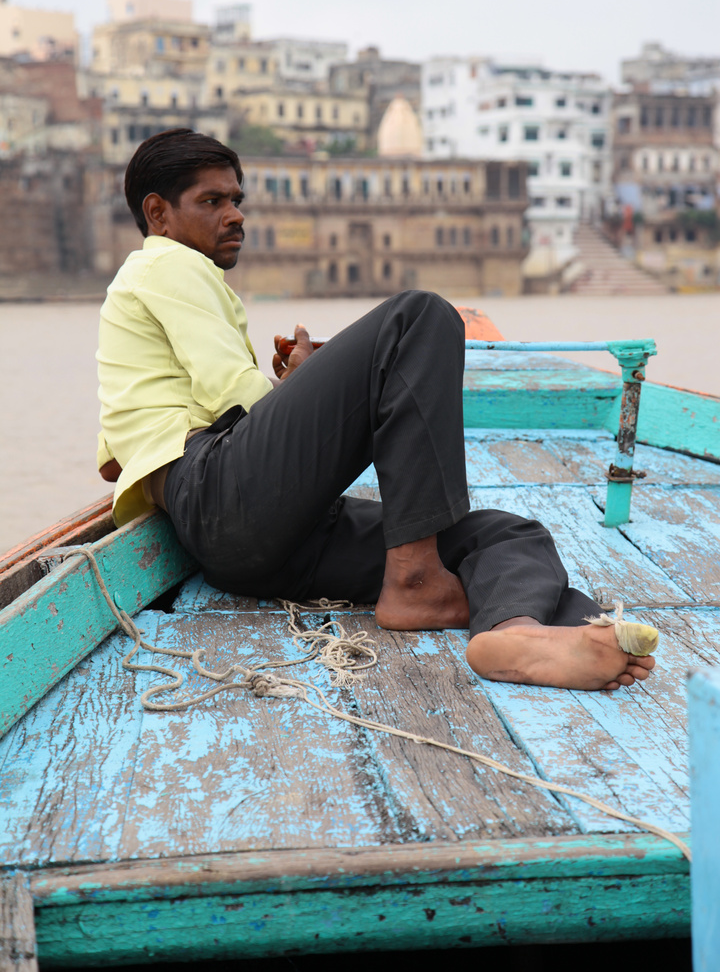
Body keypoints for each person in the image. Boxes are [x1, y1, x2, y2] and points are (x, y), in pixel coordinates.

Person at [97, 128, 656, 692]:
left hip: (262, 541)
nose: (236, 215)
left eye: (237, 200)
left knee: (505, 535)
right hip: (217, 500)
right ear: (158, 213)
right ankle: (413, 581)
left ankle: (516, 630)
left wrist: (297, 387)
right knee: (419, 319)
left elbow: (121, 457)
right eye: (212, 201)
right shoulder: (164, 265)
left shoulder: (165, 288)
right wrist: (305, 387)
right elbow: (233, 400)